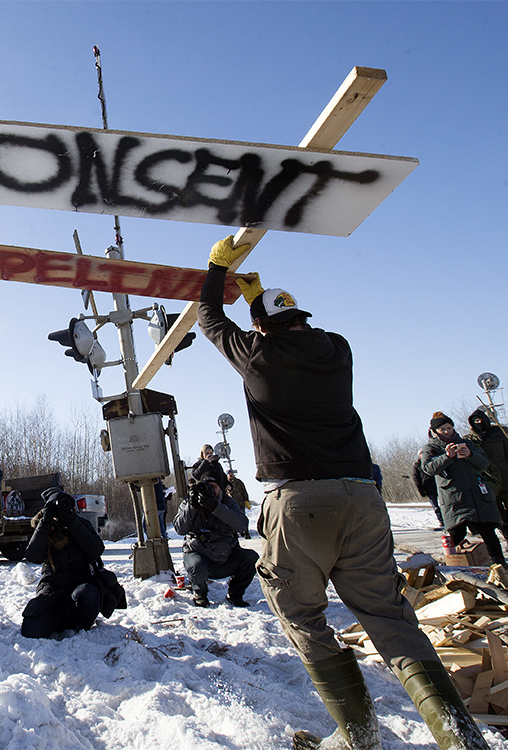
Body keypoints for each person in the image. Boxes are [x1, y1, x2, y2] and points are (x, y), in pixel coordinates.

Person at [198, 235, 489, 750]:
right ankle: (461, 738)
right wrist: (258, 301)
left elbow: (209, 321)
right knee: (390, 618)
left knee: (303, 615)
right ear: (302, 319)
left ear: (262, 327)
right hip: (363, 498)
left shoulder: (259, 356)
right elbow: (279, 335)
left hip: (302, 503)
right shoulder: (338, 349)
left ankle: (357, 736)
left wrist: (216, 270)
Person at [21, 489, 110, 639]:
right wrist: (45, 523)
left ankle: (77, 621)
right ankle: (61, 618)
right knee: (31, 630)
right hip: (53, 587)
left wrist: (73, 523)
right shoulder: (44, 527)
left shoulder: (81, 524)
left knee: (88, 594)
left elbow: (96, 550)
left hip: (80, 582)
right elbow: (33, 556)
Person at [421, 411, 505, 566]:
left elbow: (484, 464)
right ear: (435, 431)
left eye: (449, 427)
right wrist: (447, 457)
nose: (447, 431)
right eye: (443, 429)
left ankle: (500, 565)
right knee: (456, 533)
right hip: (454, 497)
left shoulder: (466, 443)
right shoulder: (431, 448)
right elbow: (428, 468)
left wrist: (470, 454)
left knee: (488, 531)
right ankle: (451, 565)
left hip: (476, 495)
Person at [172, 474, 257, 607]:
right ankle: (200, 594)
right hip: (199, 555)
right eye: (206, 486)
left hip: (226, 556)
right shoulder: (189, 502)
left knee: (251, 557)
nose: (210, 490)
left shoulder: (228, 502)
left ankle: (235, 594)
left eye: (214, 487)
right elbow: (179, 529)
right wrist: (191, 506)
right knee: (196, 565)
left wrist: (217, 507)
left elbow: (242, 525)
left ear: (221, 489)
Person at [467, 408, 508, 525]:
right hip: (489, 481)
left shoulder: (500, 435)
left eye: (481, 420)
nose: (479, 423)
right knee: (498, 513)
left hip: (505, 476)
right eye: (476, 421)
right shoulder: (471, 441)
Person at [412, 447, 444, 530]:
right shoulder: (417, 465)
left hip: (438, 485)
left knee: (444, 504)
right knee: (436, 506)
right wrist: (421, 490)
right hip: (428, 488)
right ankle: (441, 521)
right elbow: (416, 479)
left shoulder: (432, 462)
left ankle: (447, 519)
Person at [226, 469, 252, 539]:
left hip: (240, 504)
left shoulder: (238, 482)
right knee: (233, 520)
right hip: (231, 505)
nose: (230, 475)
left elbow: (243, 491)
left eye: (231, 473)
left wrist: (246, 500)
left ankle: (246, 533)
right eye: (228, 474)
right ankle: (236, 534)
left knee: (242, 518)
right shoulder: (225, 483)